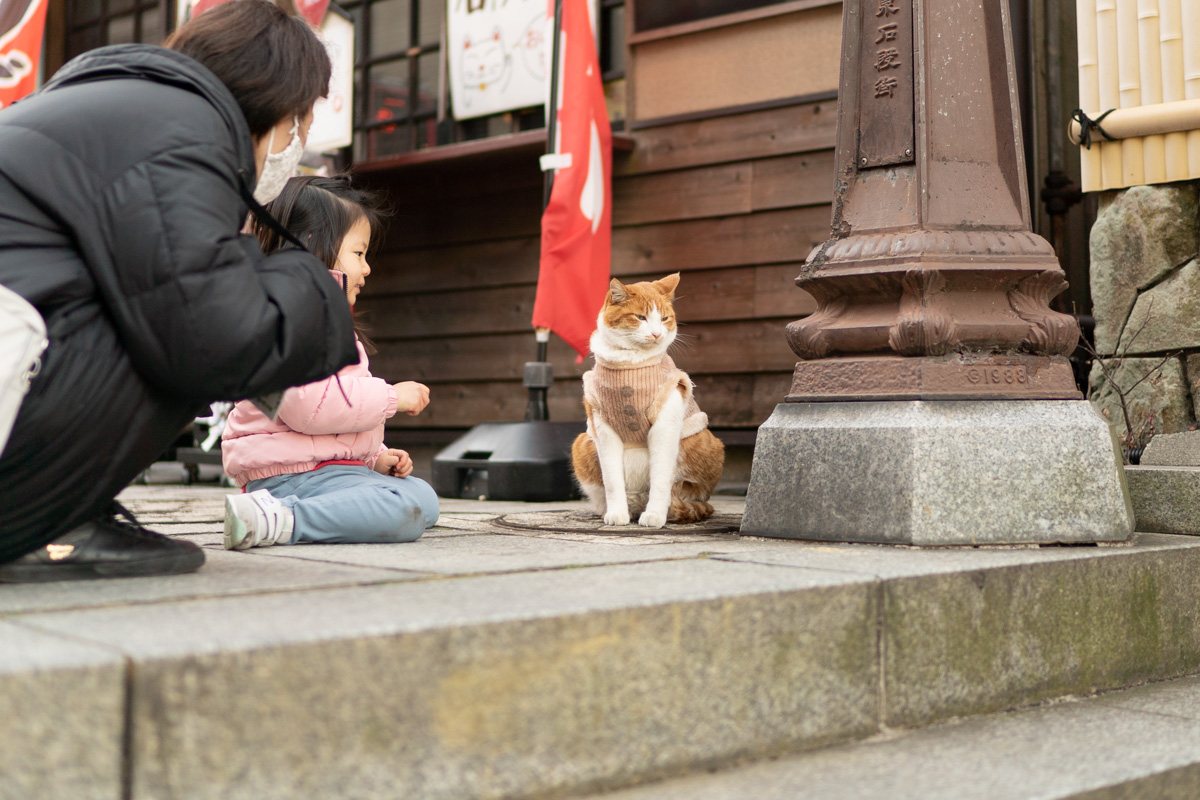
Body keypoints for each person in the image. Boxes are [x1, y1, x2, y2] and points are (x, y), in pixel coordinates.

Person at [0, 0, 359, 582]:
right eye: (303, 119)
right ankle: (47, 524)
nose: (301, 138)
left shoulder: (109, 106)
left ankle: (70, 505)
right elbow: (211, 338)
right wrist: (313, 286)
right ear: (276, 99)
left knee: (161, 301)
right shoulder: (183, 127)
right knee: (187, 324)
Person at [221, 175, 439, 549]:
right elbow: (309, 407)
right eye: (358, 254)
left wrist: (375, 458)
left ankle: (327, 504)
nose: (367, 268)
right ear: (311, 246)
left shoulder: (323, 318)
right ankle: (280, 518)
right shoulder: (292, 314)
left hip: (324, 470)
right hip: (292, 476)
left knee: (424, 499)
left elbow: (336, 420)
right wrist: (392, 398)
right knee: (403, 510)